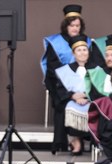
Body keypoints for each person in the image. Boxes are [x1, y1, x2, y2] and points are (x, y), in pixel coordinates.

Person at [41, 5, 88, 154]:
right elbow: (52, 67)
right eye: (71, 25)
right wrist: (70, 90)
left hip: (82, 81)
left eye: (77, 25)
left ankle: (77, 138)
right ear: (65, 25)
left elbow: (92, 64)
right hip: (59, 82)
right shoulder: (56, 41)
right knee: (62, 100)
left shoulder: (86, 41)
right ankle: (69, 140)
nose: (75, 28)